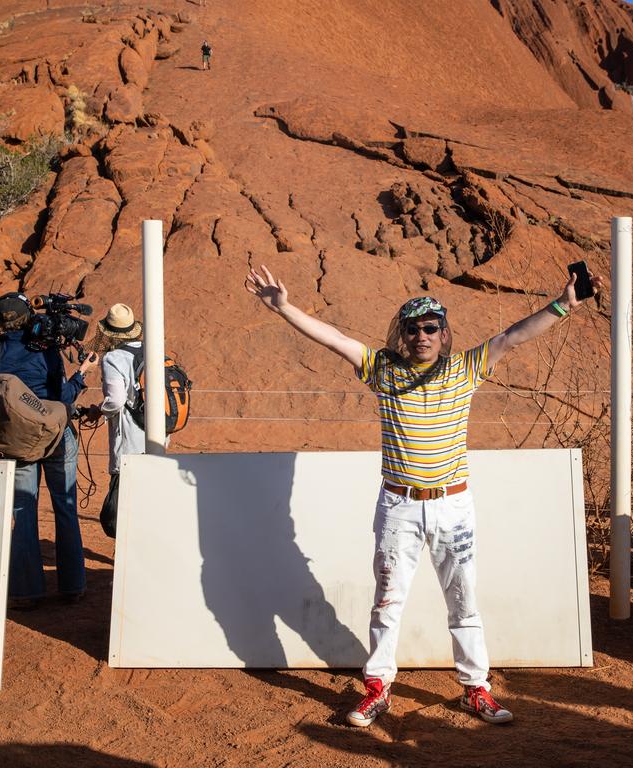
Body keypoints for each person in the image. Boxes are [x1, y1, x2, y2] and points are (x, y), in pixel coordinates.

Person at [244, 264, 601, 727]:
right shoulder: (382, 371)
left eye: (431, 327)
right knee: (388, 601)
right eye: (412, 329)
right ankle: (377, 688)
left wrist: (565, 304)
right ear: (403, 335)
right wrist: (285, 308)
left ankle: (476, 689)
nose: (422, 336)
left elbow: (513, 336)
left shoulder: (466, 369)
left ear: (443, 332)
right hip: (399, 506)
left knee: (463, 599)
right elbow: (334, 339)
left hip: (452, 505)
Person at [0, 292, 96, 609]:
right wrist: (82, 373)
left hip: (18, 438)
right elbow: (64, 399)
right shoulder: (45, 351)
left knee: (22, 511)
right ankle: (72, 586)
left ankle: (26, 591)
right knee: (65, 506)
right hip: (56, 435)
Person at [85, 304, 146, 537]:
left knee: (117, 515)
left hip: (129, 441)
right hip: (157, 436)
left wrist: (99, 411)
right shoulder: (151, 351)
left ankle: (128, 563)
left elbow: (116, 400)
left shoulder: (113, 358)